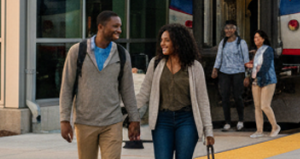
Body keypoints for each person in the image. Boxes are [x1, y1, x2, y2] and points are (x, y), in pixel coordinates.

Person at [59, 11, 141, 159]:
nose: (119, 30)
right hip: (85, 122)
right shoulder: (77, 51)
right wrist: (65, 119)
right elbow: (67, 88)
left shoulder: (122, 54)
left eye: (120, 26)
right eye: (115, 26)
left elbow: (127, 90)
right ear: (100, 27)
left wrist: (134, 119)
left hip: (112, 121)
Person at [136, 23, 214, 159]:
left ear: (178, 43)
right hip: (162, 121)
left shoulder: (195, 67)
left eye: (167, 40)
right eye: (161, 40)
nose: (162, 44)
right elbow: (144, 93)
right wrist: (129, 113)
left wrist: (209, 131)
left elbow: (203, 101)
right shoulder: (155, 64)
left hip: (187, 120)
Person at [211, 20, 249, 131]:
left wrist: (247, 75)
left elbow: (246, 60)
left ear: (235, 29)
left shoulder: (241, 43)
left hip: (238, 72)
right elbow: (219, 57)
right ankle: (227, 122)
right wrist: (215, 69)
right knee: (225, 97)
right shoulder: (223, 42)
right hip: (224, 73)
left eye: (230, 28)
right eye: (226, 28)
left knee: (237, 97)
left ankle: (240, 120)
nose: (228, 30)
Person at [246, 29, 280, 138]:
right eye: (255, 38)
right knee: (257, 106)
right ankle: (259, 130)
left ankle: (275, 126)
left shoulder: (268, 50)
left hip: (268, 80)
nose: (256, 40)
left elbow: (266, 65)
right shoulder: (256, 51)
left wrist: (256, 72)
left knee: (265, 105)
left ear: (263, 39)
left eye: (258, 37)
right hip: (257, 80)